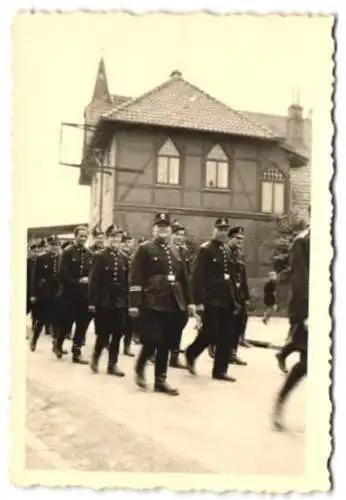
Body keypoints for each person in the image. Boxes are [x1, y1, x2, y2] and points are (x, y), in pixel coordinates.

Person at [129, 211, 193, 396]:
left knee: (166, 342)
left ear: (171, 230)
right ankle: (141, 366)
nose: (163, 230)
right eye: (159, 227)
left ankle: (160, 380)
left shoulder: (177, 251)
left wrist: (189, 303)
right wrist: (134, 304)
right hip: (151, 301)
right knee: (152, 340)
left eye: (166, 227)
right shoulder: (145, 249)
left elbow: (184, 278)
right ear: (153, 229)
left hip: (173, 302)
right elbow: (136, 277)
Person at [185, 217, 240, 382]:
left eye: (225, 230)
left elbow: (231, 278)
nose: (222, 232)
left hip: (226, 300)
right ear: (213, 230)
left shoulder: (228, 251)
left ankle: (220, 371)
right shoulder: (206, 250)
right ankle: (191, 353)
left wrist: (236, 300)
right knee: (210, 333)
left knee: (226, 336)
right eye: (220, 229)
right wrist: (197, 301)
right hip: (210, 299)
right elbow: (197, 277)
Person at [272, 222, 310, 431]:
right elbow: (299, 280)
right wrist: (306, 313)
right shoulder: (302, 241)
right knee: (308, 363)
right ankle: (280, 402)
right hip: (310, 309)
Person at [88, 224, 128, 377]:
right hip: (104, 300)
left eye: (118, 237)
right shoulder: (99, 256)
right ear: (107, 239)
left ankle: (113, 364)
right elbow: (93, 281)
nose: (116, 240)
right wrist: (92, 302)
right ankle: (95, 358)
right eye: (113, 237)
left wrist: (128, 300)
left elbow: (127, 281)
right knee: (103, 333)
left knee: (118, 333)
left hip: (120, 301)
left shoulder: (124, 257)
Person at [54, 225, 93, 364]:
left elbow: (91, 272)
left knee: (82, 324)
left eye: (85, 236)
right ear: (75, 236)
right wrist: (77, 281)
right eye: (80, 236)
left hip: (83, 297)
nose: (83, 238)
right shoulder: (67, 252)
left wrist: (88, 279)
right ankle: (58, 344)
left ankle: (76, 352)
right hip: (68, 295)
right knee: (66, 323)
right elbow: (62, 273)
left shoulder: (90, 254)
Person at [29, 235, 62, 352]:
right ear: (48, 246)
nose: (54, 247)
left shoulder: (61, 258)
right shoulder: (41, 258)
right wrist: (33, 294)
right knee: (41, 319)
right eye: (52, 245)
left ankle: (56, 345)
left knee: (57, 320)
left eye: (56, 245)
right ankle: (34, 340)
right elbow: (35, 277)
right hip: (44, 294)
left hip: (57, 293)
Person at [169, 220, 191, 369]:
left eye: (182, 235)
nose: (179, 238)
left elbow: (188, 275)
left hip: (181, 293)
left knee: (180, 324)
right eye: (177, 234)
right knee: (166, 325)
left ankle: (174, 356)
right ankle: (156, 352)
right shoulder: (166, 250)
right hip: (168, 293)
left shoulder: (185, 251)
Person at [227, 226, 250, 365]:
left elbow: (243, 277)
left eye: (242, 239)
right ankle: (219, 348)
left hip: (239, 294)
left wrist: (246, 297)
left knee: (239, 324)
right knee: (228, 324)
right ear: (230, 238)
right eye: (237, 238)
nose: (240, 241)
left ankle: (233, 353)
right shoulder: (226, 253)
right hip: (229, 294)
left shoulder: (240, 254)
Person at [120, 231, 136, 357]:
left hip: (131, 293)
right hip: (120, 293)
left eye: (130, 243)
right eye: (126, 242)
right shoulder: (119, 256)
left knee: (130, 322)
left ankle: (127, 345)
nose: (128, 245)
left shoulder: (134, 256)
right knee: (118, 321)